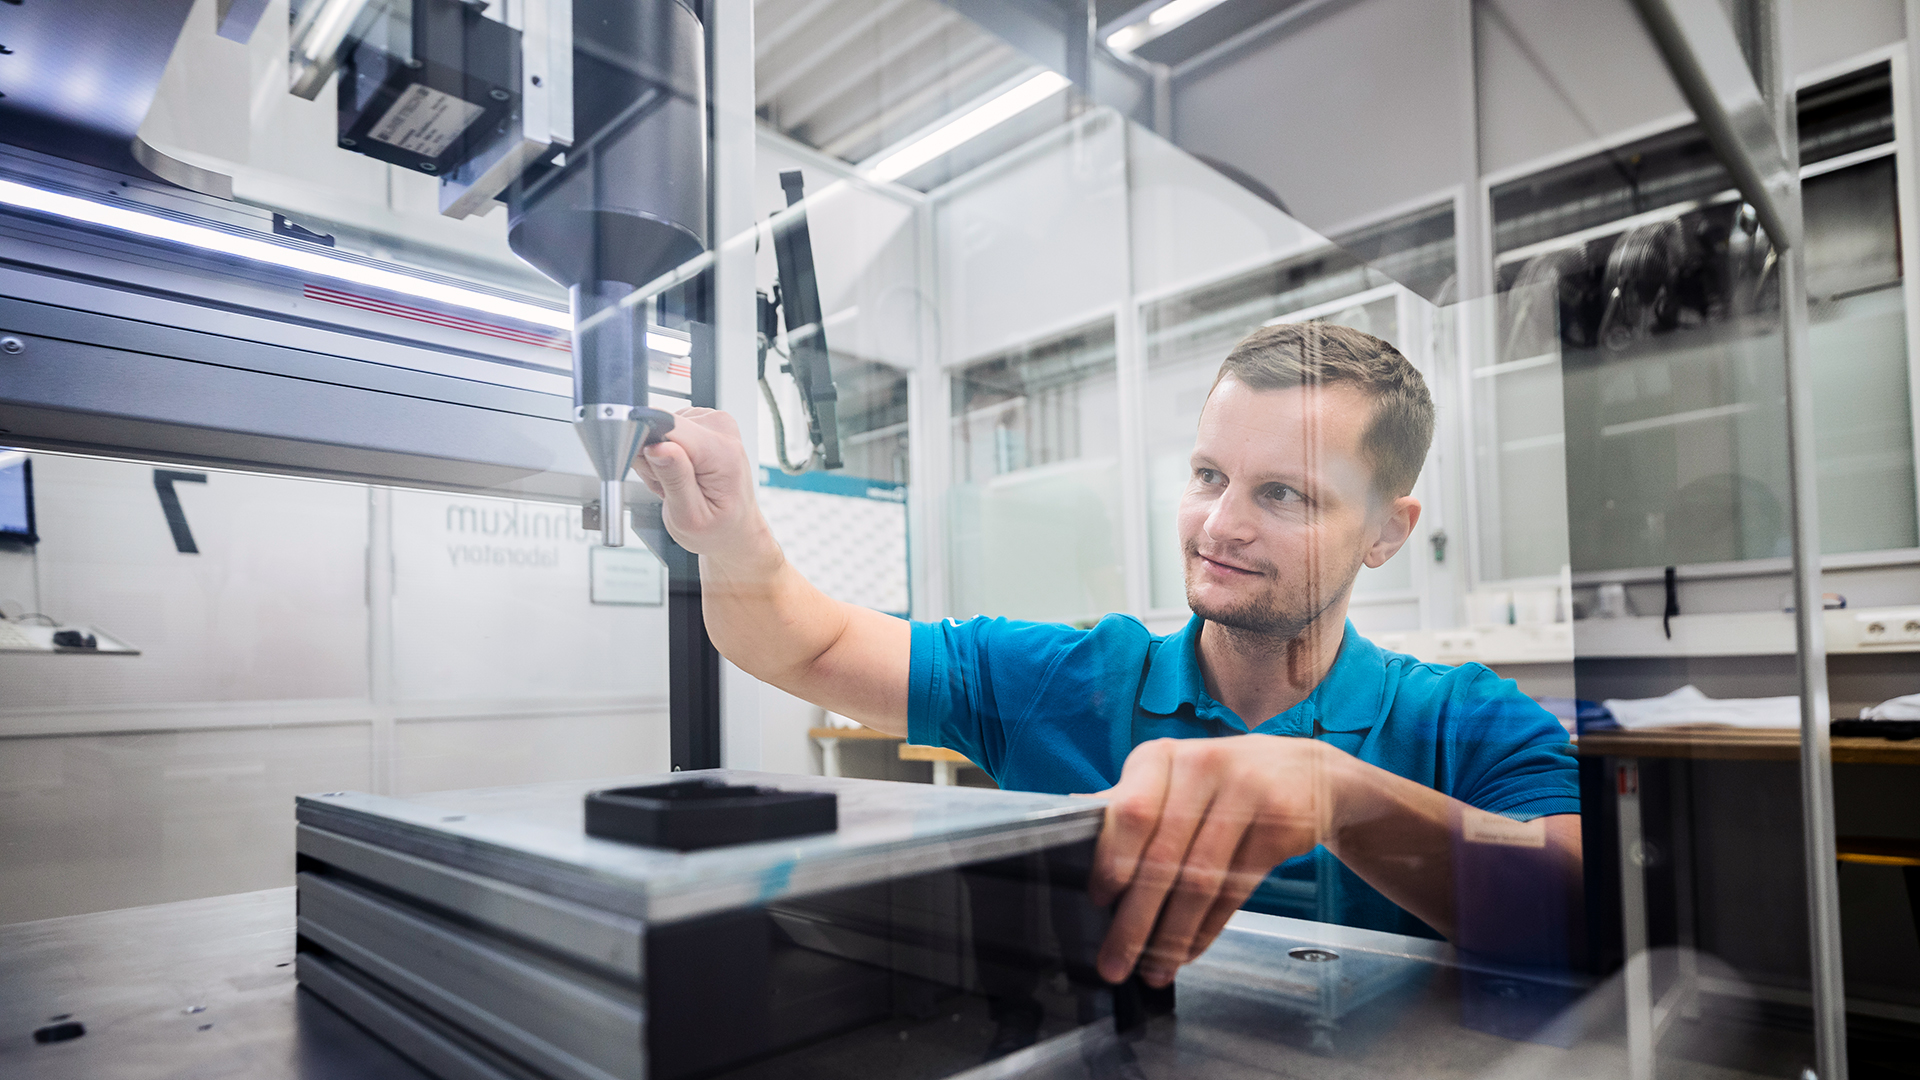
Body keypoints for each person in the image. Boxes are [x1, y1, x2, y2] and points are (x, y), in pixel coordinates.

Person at [634, 322, 1582, 989]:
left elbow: (1583, 903)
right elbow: (807, 641)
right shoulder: (1069, 681)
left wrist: (1339, 793)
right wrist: (731, 536)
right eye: (1209, 475)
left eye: (1284, 495)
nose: (1221, 525)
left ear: (1387, 530)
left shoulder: (1464, 722)